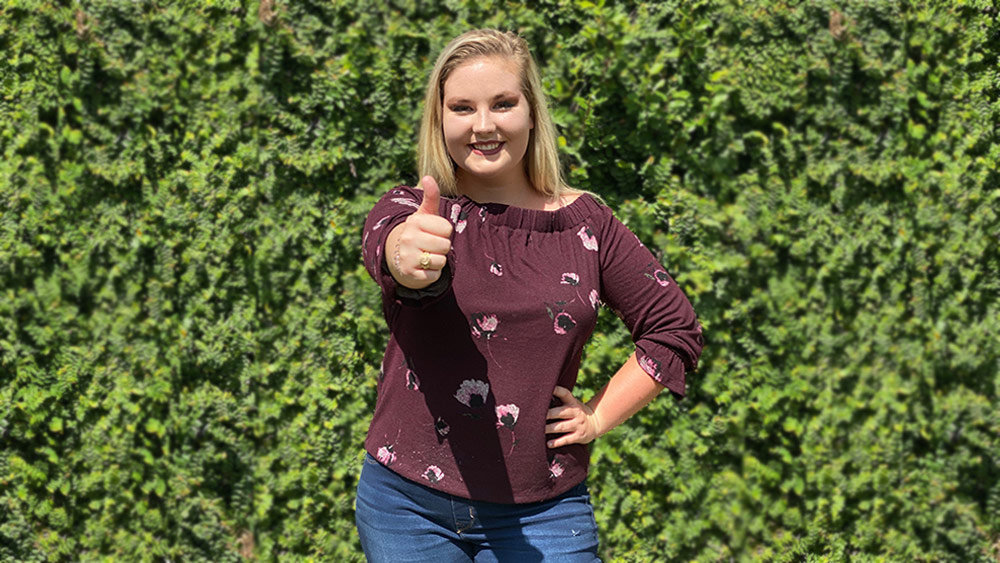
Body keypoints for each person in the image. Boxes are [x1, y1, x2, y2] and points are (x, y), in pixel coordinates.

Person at [356, 28, 703, 562]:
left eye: (503, 104)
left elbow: (673, 328)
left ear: (532, 111)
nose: (483, 125)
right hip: (406, 507)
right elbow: (400, 259)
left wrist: (596, 418)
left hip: (544, 510)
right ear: (440, 118)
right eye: (462, 107)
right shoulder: (412, 210)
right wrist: (410, 258)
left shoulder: (586, 225)